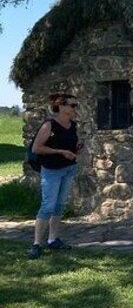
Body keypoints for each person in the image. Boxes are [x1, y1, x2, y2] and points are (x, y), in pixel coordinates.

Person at [28, 93, 83, 259]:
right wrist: (60, 151)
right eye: (72, 105)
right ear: (62, 106)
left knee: (59, 206)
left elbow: (68, 145)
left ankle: (53, 239)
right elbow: (36, 148)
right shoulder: (49, 126)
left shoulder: (72, 125)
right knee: (48, 206)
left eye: (75, 106)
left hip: (68, 169)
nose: (75, 109)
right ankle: (36, 244)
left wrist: (76, 150)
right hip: (51, 171)